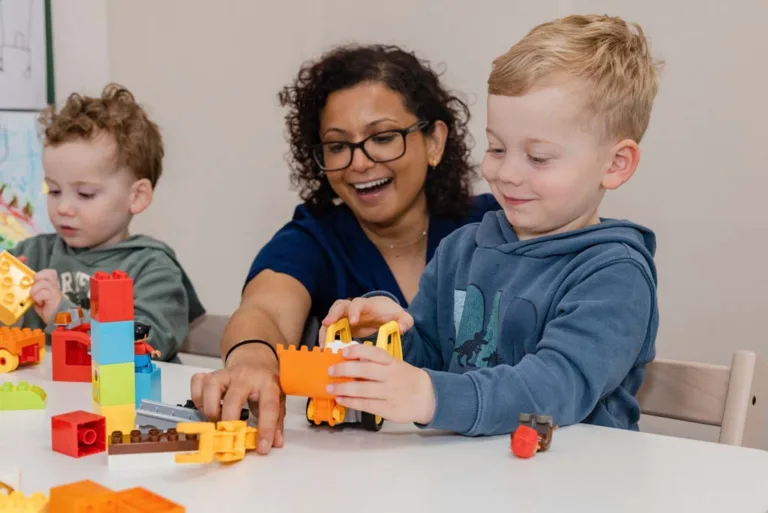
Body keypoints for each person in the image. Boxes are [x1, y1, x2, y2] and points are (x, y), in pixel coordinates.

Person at [322, 14, 662, 436]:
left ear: (615, 164)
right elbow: (431, 357)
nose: (507, 173)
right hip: (469, 477)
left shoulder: (615, 274)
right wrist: (389, 337)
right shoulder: (463, 249)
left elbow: (554, 387)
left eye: (538, 157)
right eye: (497, 147)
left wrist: (429, 396)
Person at [190, 44, 500, 452]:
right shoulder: (316, 236)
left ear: (434, 141)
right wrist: (253, 360)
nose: (358, 162)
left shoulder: (496, 227)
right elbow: (264, 310)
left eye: (383, 138)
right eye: (338, 146)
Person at [10, 83, 205, 362]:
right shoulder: (33, 255)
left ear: (136, 196)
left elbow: (147, 343)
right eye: (53, 190)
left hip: (124, 402)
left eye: (85, 194)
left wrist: (64, 314)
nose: (63, 207)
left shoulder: (152, 267)